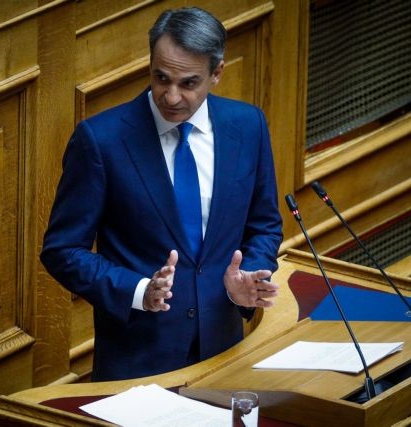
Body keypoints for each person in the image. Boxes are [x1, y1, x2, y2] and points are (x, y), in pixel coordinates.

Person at [40, 6, 283, 381]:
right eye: (161, 78)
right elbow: (62, 250)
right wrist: (139, 290)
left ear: (217, 73)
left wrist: (248, 276)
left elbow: (264, 225)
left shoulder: (248, 125)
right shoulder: (101, 140)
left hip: (223, 353)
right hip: (137, 362)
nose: (170, 97)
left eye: (188, 83)